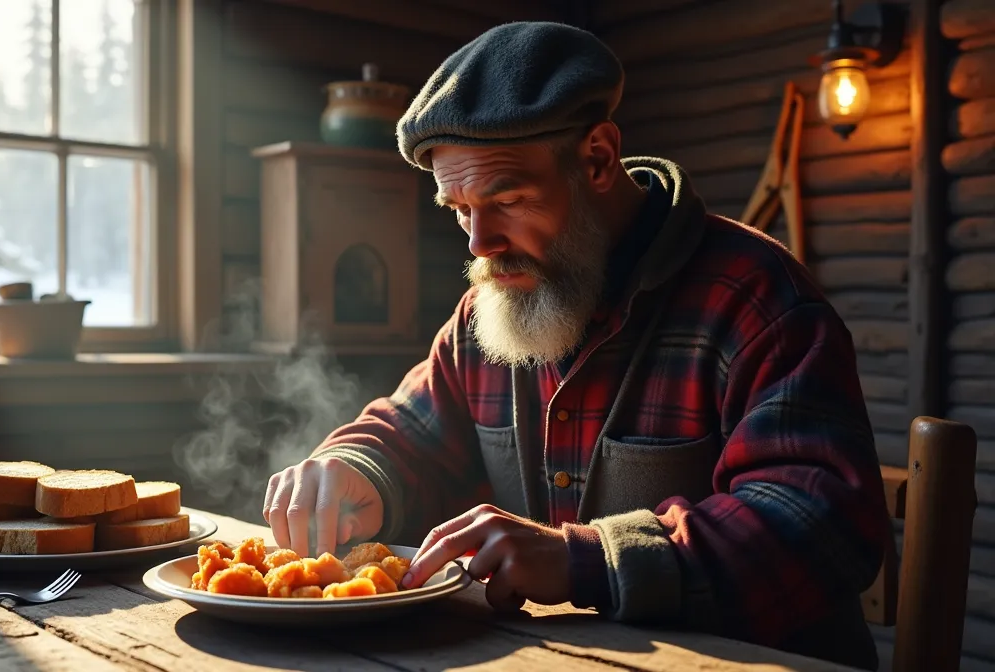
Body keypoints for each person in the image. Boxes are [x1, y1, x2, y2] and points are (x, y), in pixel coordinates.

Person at [261, 20, 890, 671]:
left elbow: (821, 526)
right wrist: (355, 468)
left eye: (508, 199)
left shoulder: (756, 297)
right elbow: (411, 432)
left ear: (597, 158)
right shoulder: (487, 307)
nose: (479, 243)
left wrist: (584, 560)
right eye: (458, 209)